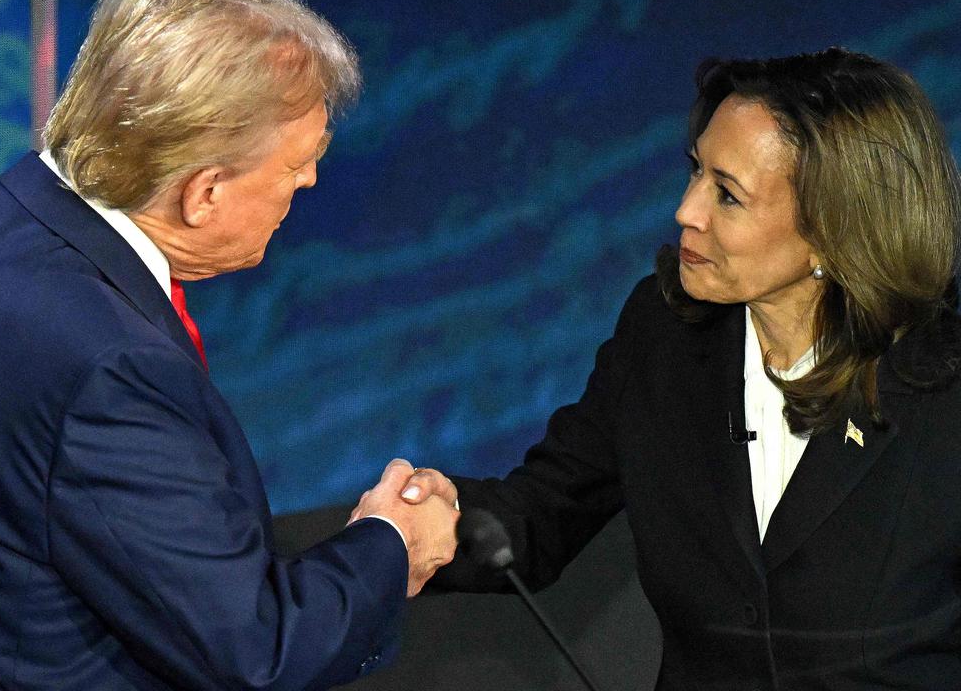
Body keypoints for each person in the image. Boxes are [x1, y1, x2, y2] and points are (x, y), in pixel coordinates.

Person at [0, 0, 457, 691]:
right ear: (204, 191)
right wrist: (391, 544)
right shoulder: (113, 367)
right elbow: (255, 650)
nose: (307, 184)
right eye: (300, 164)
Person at [399, 48, 961, 689]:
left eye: (727, 194)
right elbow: (548, 507)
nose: (687, 211)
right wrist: (433, 522)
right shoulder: (663, 333)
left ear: (836, 229)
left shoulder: (941, 388)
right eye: (696, 172)